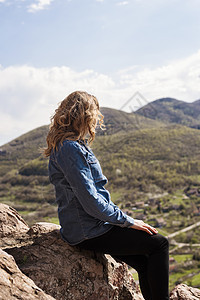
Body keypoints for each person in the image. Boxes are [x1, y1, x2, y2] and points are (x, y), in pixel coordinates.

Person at [44, 91, 169, 300]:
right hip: (89, 230)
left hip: (91, 226)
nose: (96, 119)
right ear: (84, 115)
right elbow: (90, 201)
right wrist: (127, 222)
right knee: (159, 244)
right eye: (94, 113)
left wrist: (123, 221)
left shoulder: (71, 145)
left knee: (144, 259)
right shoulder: (70, 148)